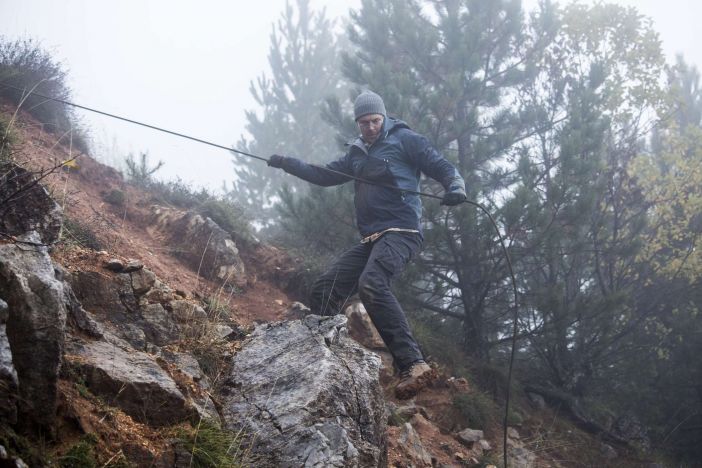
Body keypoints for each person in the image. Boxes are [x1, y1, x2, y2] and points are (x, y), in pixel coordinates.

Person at [267, 90, 466, 398]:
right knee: (325, 288)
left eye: (375, 121)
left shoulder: (405, 139)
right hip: (372, 238)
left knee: (372, 283)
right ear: (357, 123)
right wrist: (286, 163)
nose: (371, 127)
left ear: (383, 117)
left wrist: (455, 186)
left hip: (402, 231)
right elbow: (324, 175)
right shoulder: (357, 153)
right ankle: (325, 357)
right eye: (364, 123)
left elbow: (439, 165)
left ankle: (414, 364)